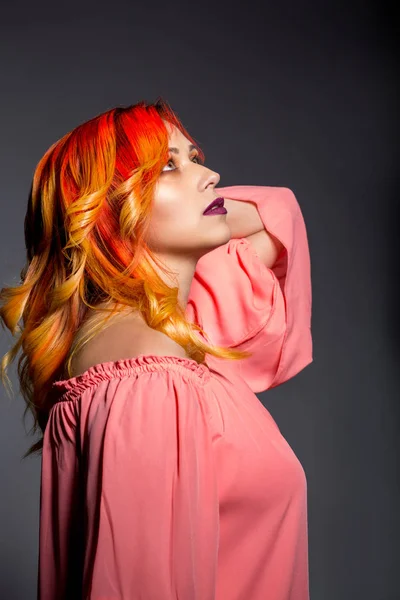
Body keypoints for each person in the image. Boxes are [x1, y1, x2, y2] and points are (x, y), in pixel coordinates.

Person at [0, 98, 313, 599]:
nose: (210, 175)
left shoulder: (177, 336)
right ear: (107, 206)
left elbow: (279, 215)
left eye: (195, 156)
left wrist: (178, 192)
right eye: (168, 164)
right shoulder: (150, 375)